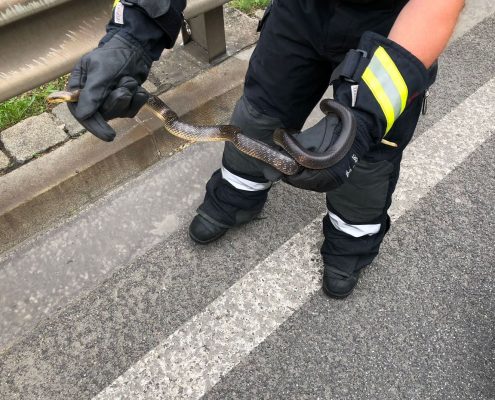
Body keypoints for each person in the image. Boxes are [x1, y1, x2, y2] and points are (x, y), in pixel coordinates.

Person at [67, 0, 465, 298]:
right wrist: (132, 33)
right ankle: (238, 196)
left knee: (362, 151)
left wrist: (363, 117)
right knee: (259, 116)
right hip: (299, 13)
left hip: (396, 26)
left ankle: (352, 239)